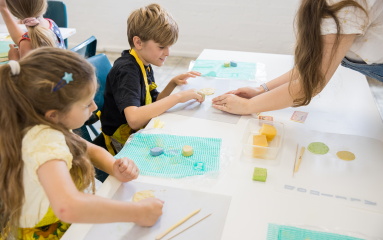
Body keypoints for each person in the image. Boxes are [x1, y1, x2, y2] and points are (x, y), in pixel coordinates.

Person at [0, 48, 164, 240]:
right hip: (48, 233)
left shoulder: (45, 123)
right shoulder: (43, 141)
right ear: (54, 114)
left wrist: (113, 166)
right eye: (87, 104)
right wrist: (137, 211)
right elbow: (67, 207)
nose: (95, 108)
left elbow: (86, 148)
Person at [212, 0, 382, 115]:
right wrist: (261, 90)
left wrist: (247, 107)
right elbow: (309, 70)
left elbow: (311, 83)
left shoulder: (342, 5)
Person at [100, 3, 204, 155]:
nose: (168, 52)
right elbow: (134, 119)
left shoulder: (144, 63)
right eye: (161, 47)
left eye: (169, 46)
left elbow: (153, 102)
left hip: (139, 130)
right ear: (138, 42)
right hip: (122, 142)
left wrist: (171, 84)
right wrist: (178, 96)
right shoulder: (127, 71)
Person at [0, 0, 65, 61]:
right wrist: (3, 9)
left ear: (14, 12)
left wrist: (14, 60)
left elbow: (24, 73)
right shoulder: (51, 23)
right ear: (44, 4)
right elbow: (27, 39)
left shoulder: (26, 42)